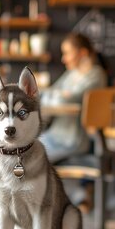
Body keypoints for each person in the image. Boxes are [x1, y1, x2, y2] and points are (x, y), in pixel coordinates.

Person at [40, 32, 107, 164]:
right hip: (56, 135)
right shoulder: (71, 74)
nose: (63, 59)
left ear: (82, 53)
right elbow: (46, 95)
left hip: (72, 139)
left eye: (67, 53)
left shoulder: (96, 75)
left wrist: (61, 95)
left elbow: (63, 100)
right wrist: (61, 94)